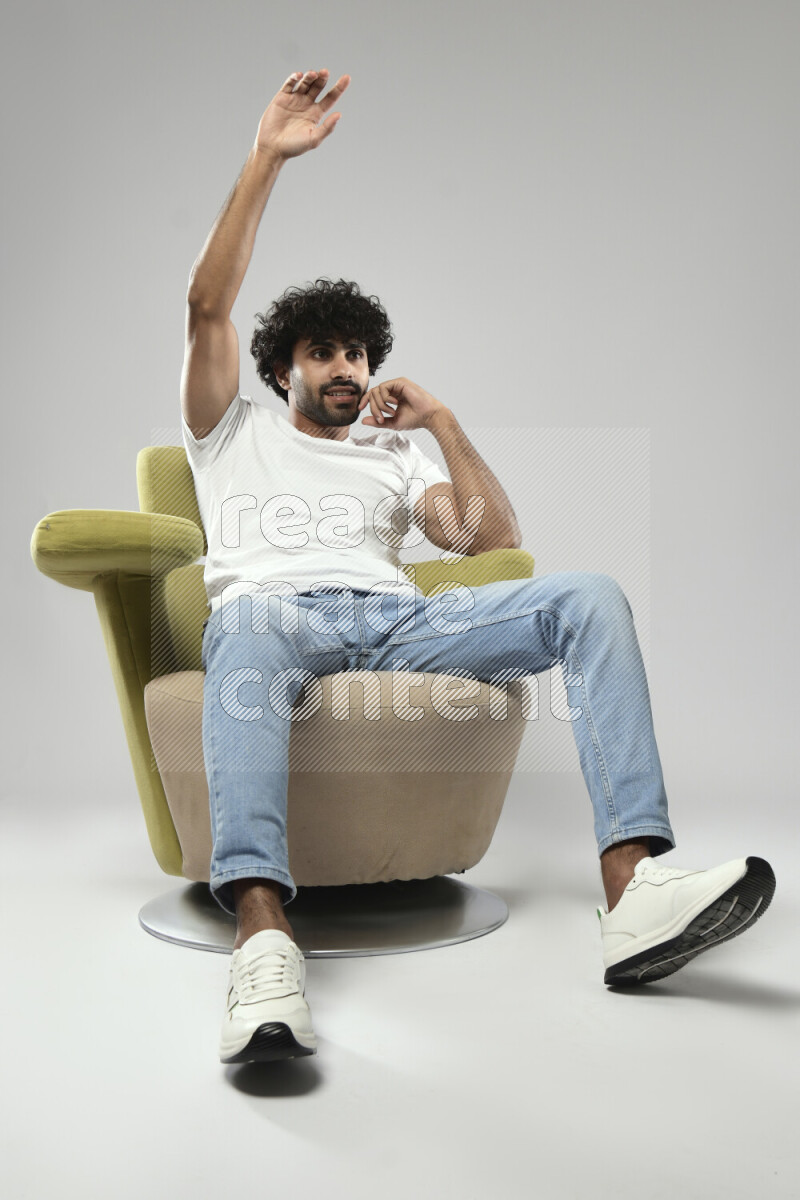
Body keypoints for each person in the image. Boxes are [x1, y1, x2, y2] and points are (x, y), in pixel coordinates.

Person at [180, 68, 776, 1066]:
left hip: (394, 621)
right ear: (281, 366)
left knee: (584, 596)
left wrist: (443, 423)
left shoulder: (392, 454)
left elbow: (488, 543)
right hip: (275, 615)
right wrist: (267, 159)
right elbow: (206, 305)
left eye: (358, 355)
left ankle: (632, 892)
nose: (344, 369)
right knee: (239, 622)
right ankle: (262, 936)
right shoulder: (226, 429)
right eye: (322, 351)